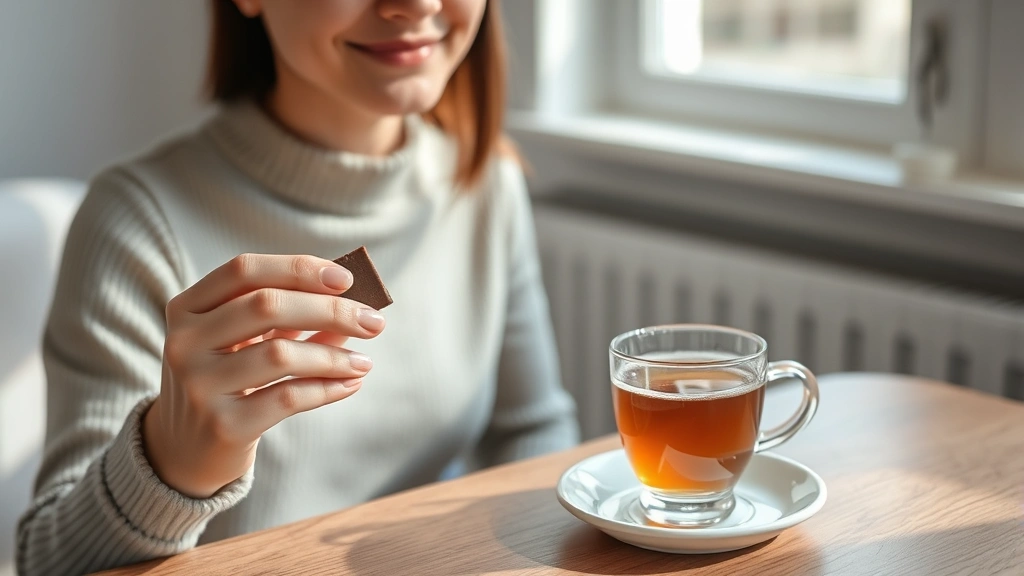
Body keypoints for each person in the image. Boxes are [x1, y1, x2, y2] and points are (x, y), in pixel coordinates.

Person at [16, 1, 578, 574]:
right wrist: (170, 467)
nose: (420, 4)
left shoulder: (487, 184)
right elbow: (51, 563)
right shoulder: (136, 222)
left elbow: (531, 430)